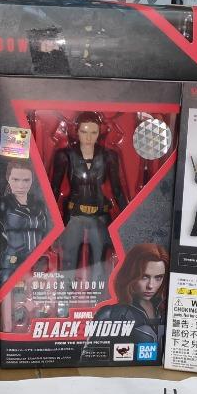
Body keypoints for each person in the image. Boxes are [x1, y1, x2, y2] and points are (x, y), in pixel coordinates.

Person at [49, 112, 126, 281]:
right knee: (68, 262)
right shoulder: (65, 155)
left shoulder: (109, 156)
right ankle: (65, 296)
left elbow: (117, 190)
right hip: (74, 215)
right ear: (76, 131)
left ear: (100, 132)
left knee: (99, 264)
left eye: (93, 132)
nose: (89, 137)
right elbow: (53, 188)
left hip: (99, 215)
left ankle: (100, 296)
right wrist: (48, 219)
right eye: (84, 132)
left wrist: (128, 217)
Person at [88, 243, 169, 345]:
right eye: (144, 277)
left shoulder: (166, 311)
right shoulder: (111, 315)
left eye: (158, 277)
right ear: (130, 275)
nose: (151, 286)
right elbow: (91, 353)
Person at [0, 160, 49, 284]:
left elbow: (47, 232)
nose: (21, 186)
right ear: (8, 179)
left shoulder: (39, 205)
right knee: (6, 289)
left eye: (26, 180)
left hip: (37, 261)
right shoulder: (3, 204)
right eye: (15, 180)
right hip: (12, 261)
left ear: (32, 180)